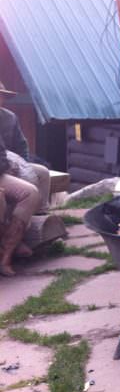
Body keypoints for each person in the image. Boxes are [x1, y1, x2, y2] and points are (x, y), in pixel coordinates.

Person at [0, 80, 48, 276]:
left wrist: (20, 167)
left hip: (8, 164)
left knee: (39, 174)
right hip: (4, 167)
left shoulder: (9, 118)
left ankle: (9, 250)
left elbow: (18, 149)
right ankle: (10, 242)